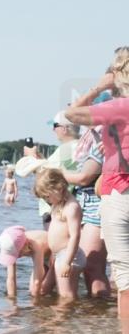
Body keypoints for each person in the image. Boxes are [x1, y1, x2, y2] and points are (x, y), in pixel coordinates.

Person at [65, 46, 129, 333]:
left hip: (120, 193)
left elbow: (71, 114)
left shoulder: (119, 106)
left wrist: (97, 87)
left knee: (125, 277)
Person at [62, 101, 110, 299]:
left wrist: (61, 173)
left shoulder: (102, 138)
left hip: (96, 209)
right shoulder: (99, 136)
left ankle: (100, 314)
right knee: (96, 267)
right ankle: (102, 314)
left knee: (92, 267)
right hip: (93, 206)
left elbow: (84, 177)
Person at [20, 113, 80, 229]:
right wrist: (38, 159)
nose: (53, 129)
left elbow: (47, 175)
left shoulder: (68, 148)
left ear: (65, 128)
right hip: (59, 206)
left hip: (55, 208)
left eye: (55, 125)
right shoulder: (74, 146)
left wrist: (31, 157)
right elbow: (51, 169)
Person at [33, 168, 84, 300]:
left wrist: (67, 261)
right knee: (43, 290)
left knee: (66, 295)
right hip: (58, 255)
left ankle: (62, 318)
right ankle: (57, 315)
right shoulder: (58, 204)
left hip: (69, 255)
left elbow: (75, 236)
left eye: (47, 196)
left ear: (58, 188)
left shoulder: (71, 207)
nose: (47, 200)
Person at [0, 225, 55, 298]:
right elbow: (11, 278)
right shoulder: (11, 246)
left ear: (24, 247)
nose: (17, 256)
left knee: (42, 290)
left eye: (18, 253)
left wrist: (34, 303)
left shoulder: (36, 245)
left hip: (55, 252)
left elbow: (37, 282)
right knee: (32, 290)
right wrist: (12, 302)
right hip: (44, 257)